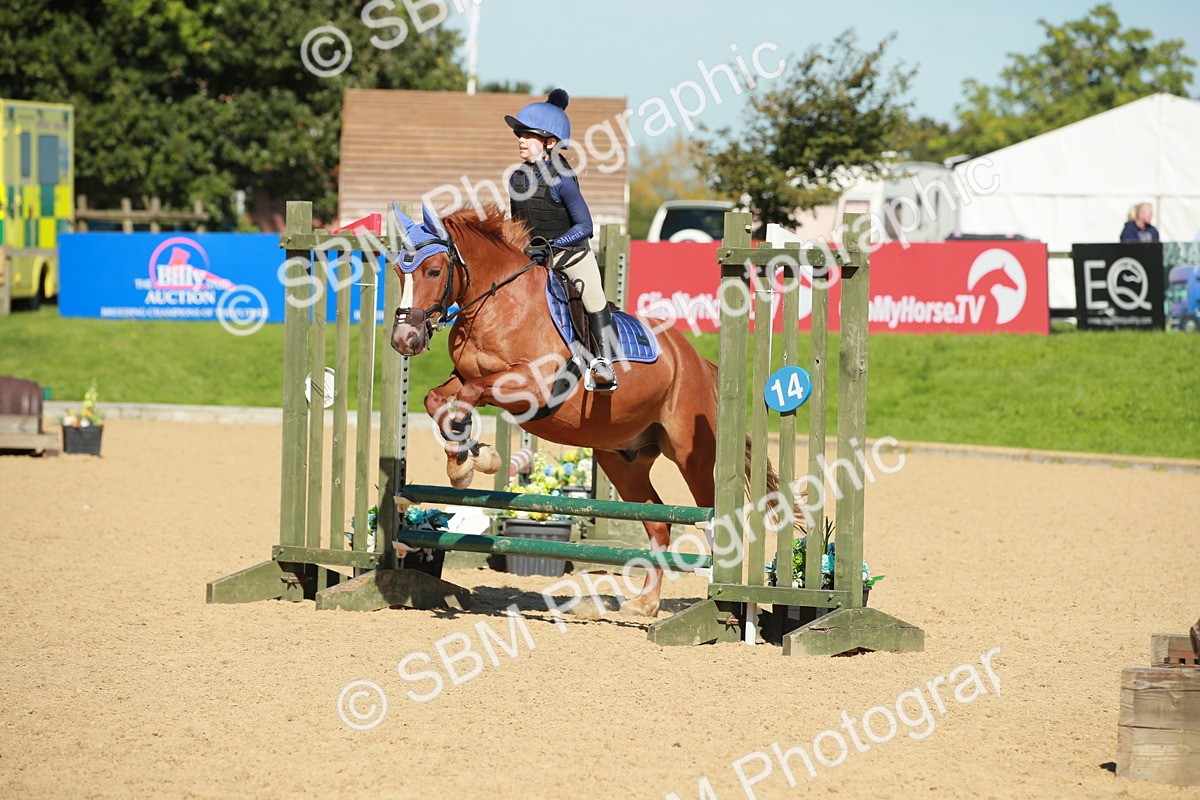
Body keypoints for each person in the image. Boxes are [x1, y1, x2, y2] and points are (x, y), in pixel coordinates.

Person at [505, 89, 618, 392]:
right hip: (534, 258)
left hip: (571, 257)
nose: (520, 140)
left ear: (550, 143)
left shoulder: (563, 179)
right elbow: (518, 223)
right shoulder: (516, 179)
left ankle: (603, 363)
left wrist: (552, 248)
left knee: (593, 298)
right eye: (520, 134)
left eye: (528, 135)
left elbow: (585, 225)